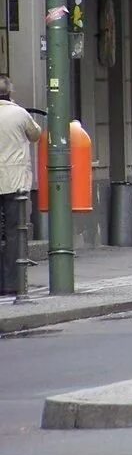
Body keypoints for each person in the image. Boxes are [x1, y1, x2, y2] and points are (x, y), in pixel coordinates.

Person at [0, 77, 41, 295]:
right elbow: (35, 134)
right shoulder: (19, 113)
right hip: (14, 182)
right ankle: (11, 283)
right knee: (15, 232)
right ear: (9, 93)